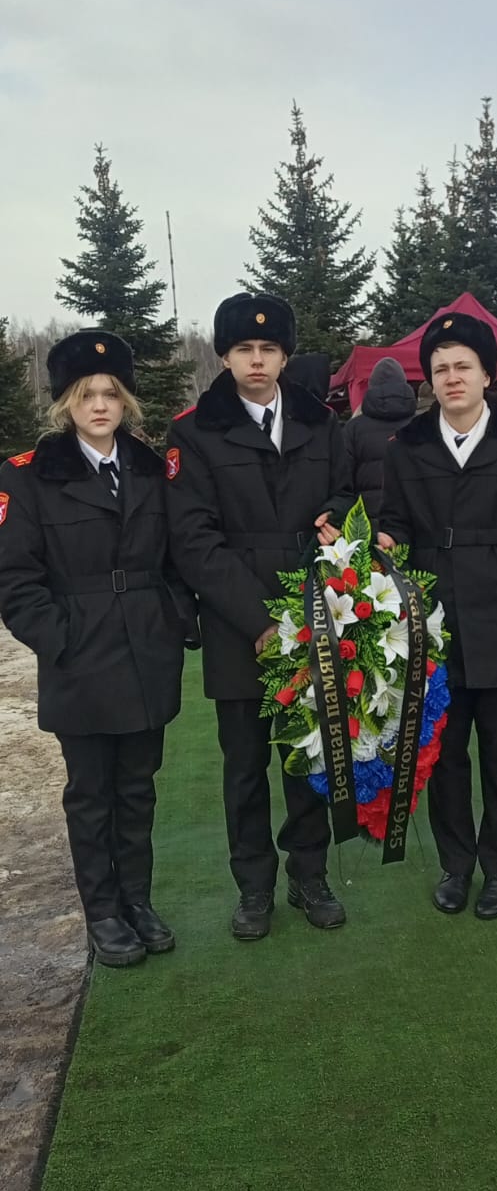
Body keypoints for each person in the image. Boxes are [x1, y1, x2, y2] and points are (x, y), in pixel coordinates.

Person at [0, 331, 197, 967]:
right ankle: (104, 913)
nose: (101, 405)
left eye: (111, 393)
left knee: (138, 789)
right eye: (87, 394)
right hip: (80, 659)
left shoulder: (151, 469)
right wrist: (61, 640)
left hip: (146, 652)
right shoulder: (28, 476)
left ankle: (137, 901)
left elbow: (176, 558)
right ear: (66, 403)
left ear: (126, 401)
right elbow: (15, 580)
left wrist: (174, 620)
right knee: (91, 795)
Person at [165, 291, 354, 941]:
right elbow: (194, 541)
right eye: (243, 348)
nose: (256, 360)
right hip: (236, 623)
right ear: (224, 356)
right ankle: (254, 886)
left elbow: (347, 491)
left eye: (268, 349)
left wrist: (338, 517)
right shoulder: (194, 431)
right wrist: (260, 622)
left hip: (313, 615)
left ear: (284, 357)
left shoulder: (320, 423)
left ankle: (310, 874)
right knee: (245, 767)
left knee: (307, 758)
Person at [378, 311, 497, 920]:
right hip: (432, 625)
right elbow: (396, 522)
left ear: (487, 375)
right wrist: (385, 543)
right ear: (429, 380)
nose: (452, 378)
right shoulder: (407, 446)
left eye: (463, 366)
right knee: (445, 758)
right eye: (440, 369)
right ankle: (456, 866)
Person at [344, 357, 416, 535]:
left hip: (364, 527)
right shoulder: (420, 425)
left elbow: (342, 480)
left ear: (371, 386)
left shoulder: (353, 428)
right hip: (412, 525)